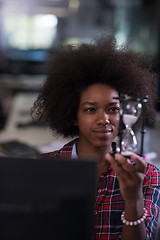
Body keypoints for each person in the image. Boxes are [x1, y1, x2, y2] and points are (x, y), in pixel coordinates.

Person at [32, 35, 160, 240]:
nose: (104, 119)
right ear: (73, 115)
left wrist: (133, 199)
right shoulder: (45, 169)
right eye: (91, 109)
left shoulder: (147, 176)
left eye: (113, 109)